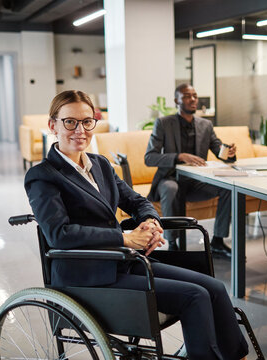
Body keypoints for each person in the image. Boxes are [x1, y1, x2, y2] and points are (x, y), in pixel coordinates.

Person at [25, 90, 249, 360]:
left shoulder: (100, 164)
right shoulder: (43, 176)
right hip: (87, 274)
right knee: (194, 296)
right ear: (53, 125)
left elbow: (135, 200)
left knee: (214, 288)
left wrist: (150, 221)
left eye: (87, 121)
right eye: (70, 122)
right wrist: (125, 239)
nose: (80, 130)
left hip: (125, 261)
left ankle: (236, 355)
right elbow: (60, 234)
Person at [145, 84, 236, 257]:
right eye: (187, 96)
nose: (193, 99)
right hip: (169, 179)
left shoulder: (205, 125)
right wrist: (179, 156)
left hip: (196, 183)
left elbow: (218, 150)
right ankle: (173, 244)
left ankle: (217, 240)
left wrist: (228, 153)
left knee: (228, 188)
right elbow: (150, 157)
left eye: (194, 95)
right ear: (176, 100)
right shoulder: (164, 123)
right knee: (172, 188)